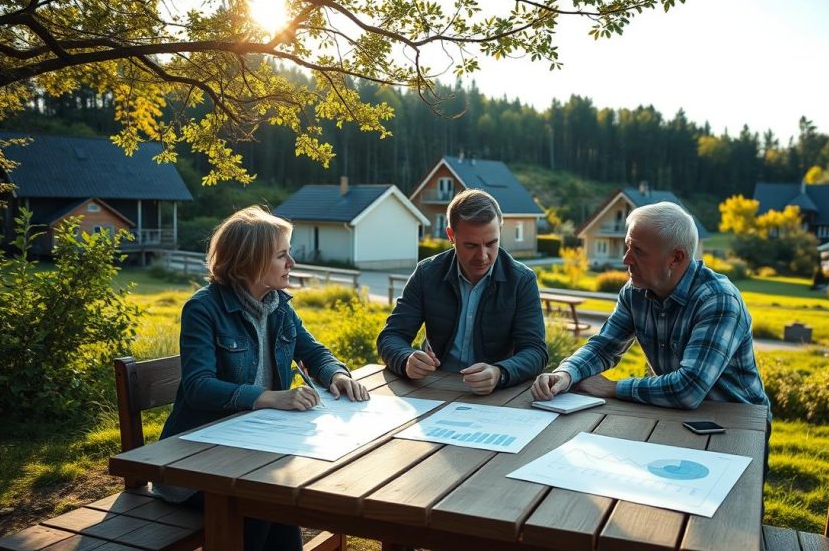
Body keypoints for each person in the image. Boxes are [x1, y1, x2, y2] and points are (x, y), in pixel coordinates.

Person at [156, 206, 369, 551]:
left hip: (259, 453)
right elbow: (197, 386)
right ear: (250, 261)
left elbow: (314, 352)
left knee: (277, 498)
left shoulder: (279, 306)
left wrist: (336, 374)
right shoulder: (203, 309)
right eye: (282, 255)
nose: (292, 264)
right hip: (199, 467)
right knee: (265, 501)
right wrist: (269, 396)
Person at [530, 201, 770, 420]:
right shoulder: (635, 291)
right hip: (677, 416)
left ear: (676, 258)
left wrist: (612, 387)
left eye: (638, 251)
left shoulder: (718, 300)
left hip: (740, 421)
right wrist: (565, 374)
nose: (626, 260)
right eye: (627, 247)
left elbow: (688, 389)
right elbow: (603, 348)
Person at [377, 189, 548, 394]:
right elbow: (391, 336)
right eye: (471, 245)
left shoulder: (521, 280)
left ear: (500, 231)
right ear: (451, 235)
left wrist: (500, 372)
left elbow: (536, 352)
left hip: (495, 395)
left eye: (491, 243)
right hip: (432, 387)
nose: (483, 256)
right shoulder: (427, 273)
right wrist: (405, 359)